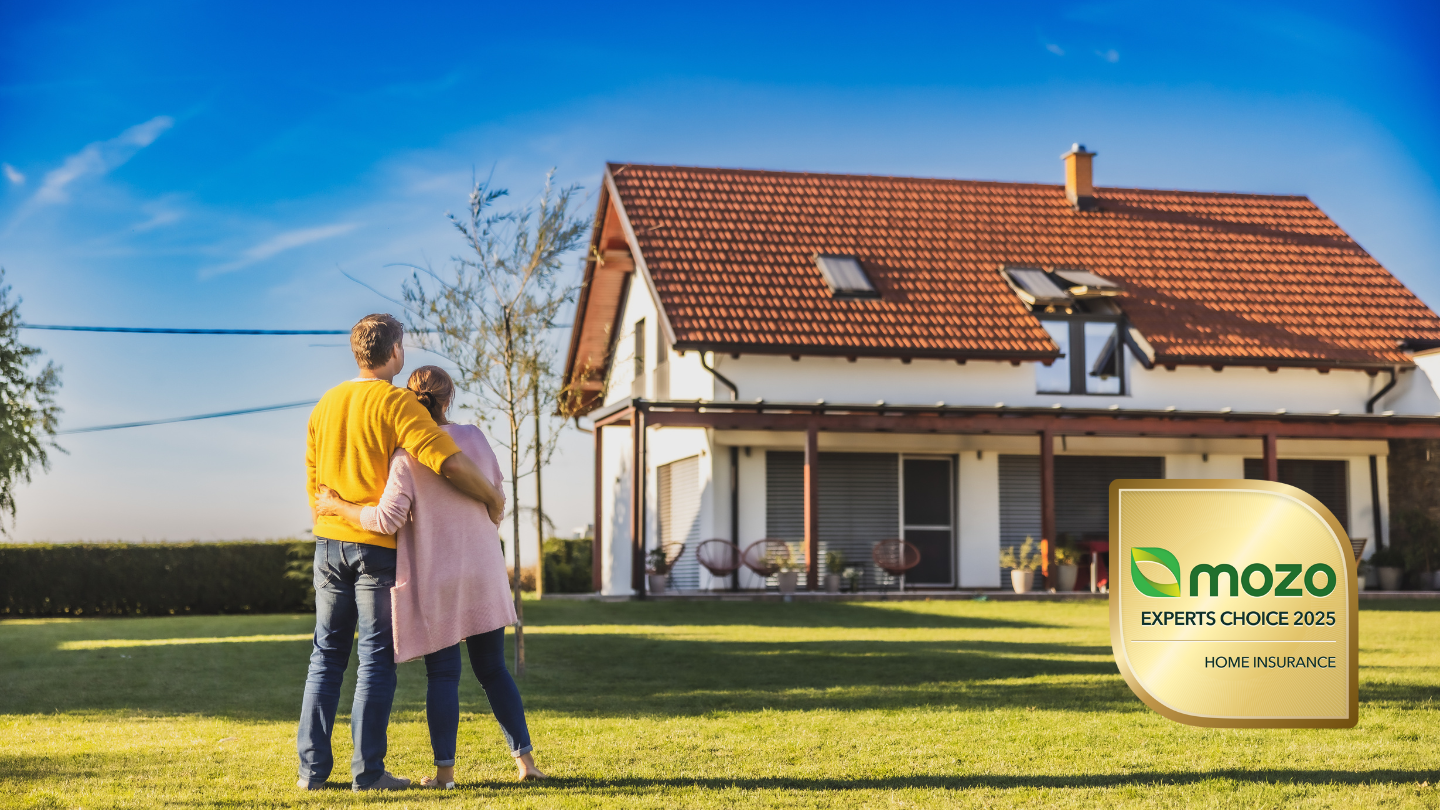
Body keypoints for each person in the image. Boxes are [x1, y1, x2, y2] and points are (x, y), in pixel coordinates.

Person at [298, 314, 506, 792]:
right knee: (374, 659)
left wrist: (334, 509)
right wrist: (492, 499)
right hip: (374, 548)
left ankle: (311, 774)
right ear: (393, 352)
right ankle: (367, 774)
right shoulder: (395, 402)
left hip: (328, 544)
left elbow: (316, 487)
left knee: (325, 656)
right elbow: (447, 461)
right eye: (402, 347)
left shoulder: (325, 405)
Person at [315, 365, 545, 787]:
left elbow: (387, 519)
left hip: (437, 579)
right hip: (483, 571)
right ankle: (527, 764)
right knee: (494, 669)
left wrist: (337, 506)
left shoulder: (405, 456)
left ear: (408, 400)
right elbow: (496, 493)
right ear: (449, 398)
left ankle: (445, 774)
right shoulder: (475, 438)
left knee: (444, 675)